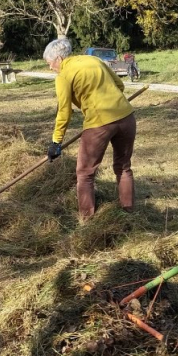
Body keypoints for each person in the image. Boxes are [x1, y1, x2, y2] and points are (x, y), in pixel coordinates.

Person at [43, 36, 137, 219]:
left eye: (49, 63)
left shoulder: (63, 76)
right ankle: (129, 212)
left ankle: (87, 220)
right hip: (126, 117)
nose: (50, 67)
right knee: (123, 167)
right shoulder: (93, 60)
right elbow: (120, 85)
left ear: (59, 59)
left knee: (85, 173)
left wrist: (56, 142)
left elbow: (64, 111)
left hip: (99, 123)